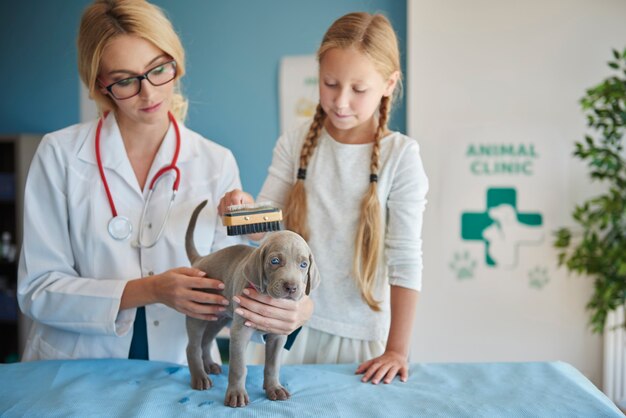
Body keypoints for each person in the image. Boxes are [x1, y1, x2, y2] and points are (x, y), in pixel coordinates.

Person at [17, 0, 307, 364]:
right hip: (75, 364)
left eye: (158, 69)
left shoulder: (215, 163)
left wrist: (287, 304)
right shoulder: (59, 155)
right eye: (125, 80)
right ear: (101, 85)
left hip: (178, 364)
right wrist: (151, 289)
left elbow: (229, 289)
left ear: (177, 63)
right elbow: (38, 292)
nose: (150, 93)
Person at [219, 12, 428, 385]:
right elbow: (264, 233)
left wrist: (397, 350)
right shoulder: (295, 142)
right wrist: (240, 209)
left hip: (359, 340)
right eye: (330, 83)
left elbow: (406, 260)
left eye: (358, 89)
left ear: (388, 84)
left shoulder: (402, 156)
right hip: (284, 324)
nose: (341, 101)